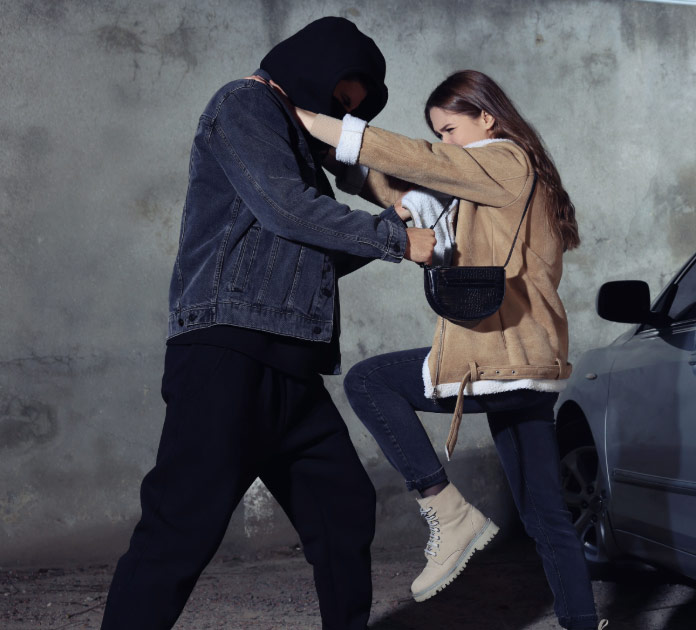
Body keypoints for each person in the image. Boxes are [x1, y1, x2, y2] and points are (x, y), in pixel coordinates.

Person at [101, 17, 435, 630]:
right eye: (340, 97)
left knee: (344, 511)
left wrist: (393, 216)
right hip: (228, 355)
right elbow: (287, 211)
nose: (338, 112)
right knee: (181, 529)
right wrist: (394, 237)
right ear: (313, 67)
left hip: (291, 366)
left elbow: (313, 248)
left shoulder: (298, 155)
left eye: (349, 108)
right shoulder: (245, 103)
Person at [293, 70, 606, 630]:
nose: (445, 143)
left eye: (451, 129)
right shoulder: (489, 176)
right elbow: (410, 184)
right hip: (528, 359)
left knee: (369, 381)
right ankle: (583, 623)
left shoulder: (507, 160)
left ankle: (445, 507)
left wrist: (317, 122)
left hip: (502, 348)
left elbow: (428, 165)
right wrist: (345, 163)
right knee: (543, 513)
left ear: (488, 117)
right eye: (437, 133)